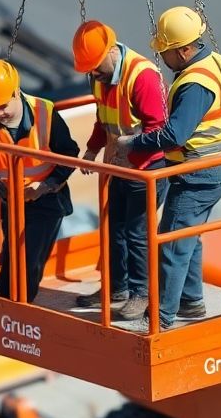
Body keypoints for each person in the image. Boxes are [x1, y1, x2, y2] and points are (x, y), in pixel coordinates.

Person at [117, 6, 221, 330]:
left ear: (183, 50)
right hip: (211, 168)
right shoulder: (213, 61)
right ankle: (191, 302)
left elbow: (175, 135)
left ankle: (161, 318)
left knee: (170, 245)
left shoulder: (195, 83)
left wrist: (133, 143)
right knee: (187, 239)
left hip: (197, 174)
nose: (162, 59)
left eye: (165, 51)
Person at [69, 19, 169, 320]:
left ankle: (141, 294)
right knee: (114, 229)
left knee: (137, 233)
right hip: (122, 166)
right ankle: (116, 287)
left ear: (113, 51)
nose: (94, 73)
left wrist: (132, 160)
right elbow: (104, 118)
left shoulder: (142, 77)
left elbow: (158, 129)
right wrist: (92, 147)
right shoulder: (99, 77)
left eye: (97, 65)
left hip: (146, 168)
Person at [0, 59, 80, 303]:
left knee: (28, 261)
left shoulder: (45, 112)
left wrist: (46, 185)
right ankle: (6, 308)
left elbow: (69, 153)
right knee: (12, 257)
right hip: (11, 202)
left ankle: (13, 309)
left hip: (47, 202)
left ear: (16, 92)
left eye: (3, 105)